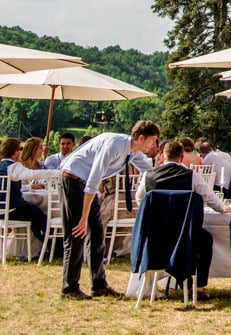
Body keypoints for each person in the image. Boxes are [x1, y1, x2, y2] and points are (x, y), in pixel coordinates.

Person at [58, 119, 160, 299]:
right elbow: (92, 182)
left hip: (86, 186)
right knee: (76, 235)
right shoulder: (114, 146)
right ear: (141, 138)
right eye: (153, 140)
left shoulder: (134, 152)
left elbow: (151, 172)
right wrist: (83, 218)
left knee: (97, 235)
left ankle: (99, 285)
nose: (154, 145)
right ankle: (69, 288)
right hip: (73, 180)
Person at [133, 138, 223, 301]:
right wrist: (223, 208)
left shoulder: (148, 176)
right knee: (205, 239)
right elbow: (210, 198)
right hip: (184, 236)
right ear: (182, 158)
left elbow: (140, 200)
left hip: (156, 237)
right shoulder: (191, 176)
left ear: (162, 157)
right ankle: (198, 286)